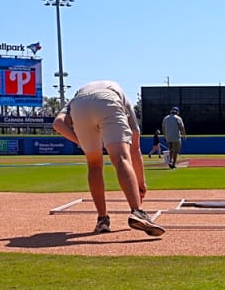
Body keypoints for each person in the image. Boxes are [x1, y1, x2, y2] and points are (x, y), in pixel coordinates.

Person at [52, 80, 165, 237]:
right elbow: (135, 149)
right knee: (120, 158)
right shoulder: (119, 93)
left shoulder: (78, 95)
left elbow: (58, 123)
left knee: (94, 165)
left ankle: (102, 220)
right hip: (108, 99)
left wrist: (81, 142)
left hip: (80, 105)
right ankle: (137, 212)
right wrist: (140, 183)